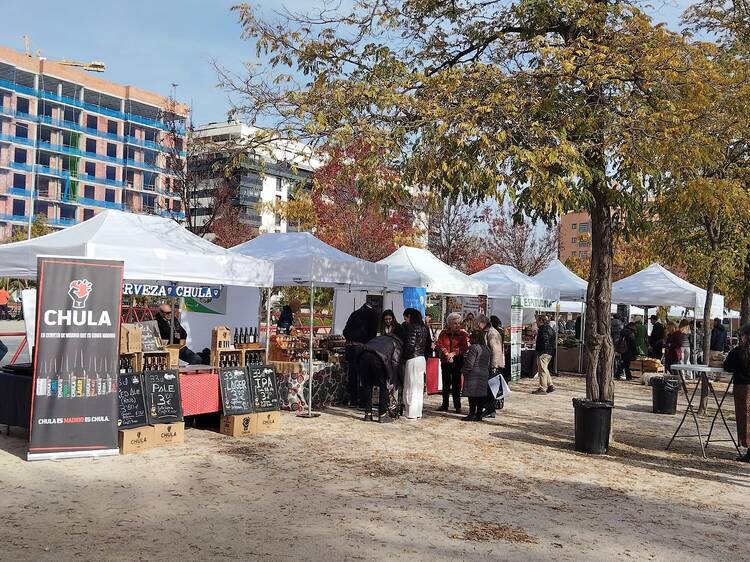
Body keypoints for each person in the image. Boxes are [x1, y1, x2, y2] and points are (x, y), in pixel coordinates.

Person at [357, 331, 404, 423]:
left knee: (367, 385)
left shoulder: (379, 338)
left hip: (363, 356)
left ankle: (368, 414)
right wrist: (392, 380)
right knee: (384, 386)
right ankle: (382, 415)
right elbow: (395, 362)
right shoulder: (396, 344)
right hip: (378, 359)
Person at [343, 302, 380, 407]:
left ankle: (353, 400)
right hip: (361, 347)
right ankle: (364, 402)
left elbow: (345, 331)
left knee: (352, 375)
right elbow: (372, 333)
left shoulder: (354, 313)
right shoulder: (373, 314)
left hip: (350, 347)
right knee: (363, 375)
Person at [722, 324, 750, 462]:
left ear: (745, 336)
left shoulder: (738, 351)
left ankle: (749, 449)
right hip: (743, 388)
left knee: (745, 418)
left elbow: (727, 367)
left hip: (743, 388)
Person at [436, 312, 469, 413]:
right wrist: (446, 353)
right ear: (449, 324)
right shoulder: (443, 333)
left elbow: (464, 347)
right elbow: (439, 345)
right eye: (455, 323)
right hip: (445, 361)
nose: (457, 325)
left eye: (459, 323)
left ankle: (457, 406)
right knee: (445, 383)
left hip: (458, 361)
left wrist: (454, 353)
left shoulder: (463, 334)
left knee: (456, 384)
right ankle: (444, 404)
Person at [401, 308, 431, 419]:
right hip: (421, 358)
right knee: (418, 387)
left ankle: (411, 412)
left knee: (411, 386)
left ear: (409, 316)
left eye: (406, 318)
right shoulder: (424, 328)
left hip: (412, 358)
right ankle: (418, 411)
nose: (405, 321)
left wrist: (404, 357)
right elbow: (428, 345)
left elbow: (410, 345)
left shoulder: (412, 328)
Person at [461, 330, 491, 421]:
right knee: (480, 396)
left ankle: (471, 413)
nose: (469, 340)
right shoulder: (486, 348)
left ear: (475, 338)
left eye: (471, 337)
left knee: (472, 395)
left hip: (474, 374)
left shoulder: (474, 348)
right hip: (484, 373)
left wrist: (464, 371)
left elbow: (470, 363)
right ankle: (479, 414)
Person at [479, 314, 505, 418]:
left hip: (493, 365)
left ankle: (490, 409)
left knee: (491, 388)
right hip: (492, 364)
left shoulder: (492, 333)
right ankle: (490, 409)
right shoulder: (490, 332)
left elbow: (496, 350)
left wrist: (493, 366)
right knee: (491, 388)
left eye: (478, 322)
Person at [533, 315, 556, 394]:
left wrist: (541, 352)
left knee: (542, 369)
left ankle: (542, 388)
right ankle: (550, 385)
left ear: (541, 321)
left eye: (537, 321)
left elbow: (544, 341)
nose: (536, 322)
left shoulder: (543, 330)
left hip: (544, 352)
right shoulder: (550, 329)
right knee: (545, 368)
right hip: (549, 352)